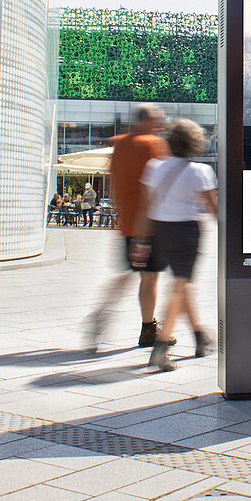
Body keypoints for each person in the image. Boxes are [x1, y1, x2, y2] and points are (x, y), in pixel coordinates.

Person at [82, 105, 170, 350]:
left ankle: (104, 311)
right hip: (149, 224)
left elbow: (112, 184)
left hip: (127, 223)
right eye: (157, 121)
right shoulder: (153, 144)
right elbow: (158, 187)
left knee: (131, 273)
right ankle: (148, 329)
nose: (160, 126)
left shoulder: (118, 143)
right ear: (146, 121)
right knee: (150, 278)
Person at [136, 118, 218, 371]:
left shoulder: (154, 166)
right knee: (180, 286)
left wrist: (139, 241)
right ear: (194, 143)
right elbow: (213, 208)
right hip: (186, 233)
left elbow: (145, 205)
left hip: (158, 231)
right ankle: (160, 349)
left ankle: (199, 336)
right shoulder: (201, 172)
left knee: (182, 287)